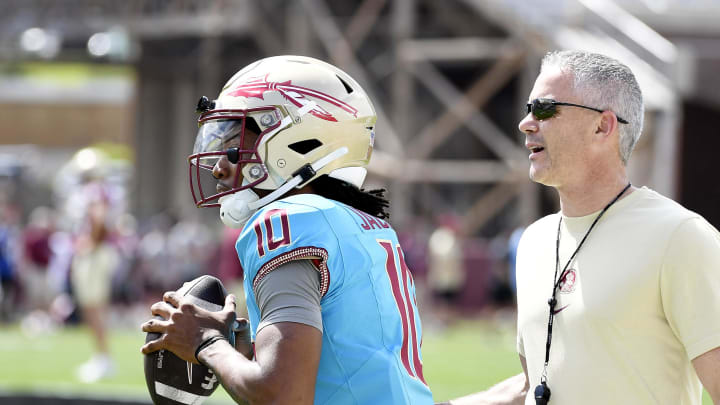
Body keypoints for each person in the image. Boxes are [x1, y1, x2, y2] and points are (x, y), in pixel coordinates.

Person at [141, 55, 434, 404]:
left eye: (235, 144)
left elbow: (283, 395)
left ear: (296, 142)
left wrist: (206, 343)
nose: (219, 166)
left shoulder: (290, 219)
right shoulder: (366, 225)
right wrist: (247, 353)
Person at [448, 50, 720, 405]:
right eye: (527, 109)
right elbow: (537, 386)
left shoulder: (680, 236)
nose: (526, 123)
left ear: (603, 126)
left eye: (544, 108)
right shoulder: (533, 241)